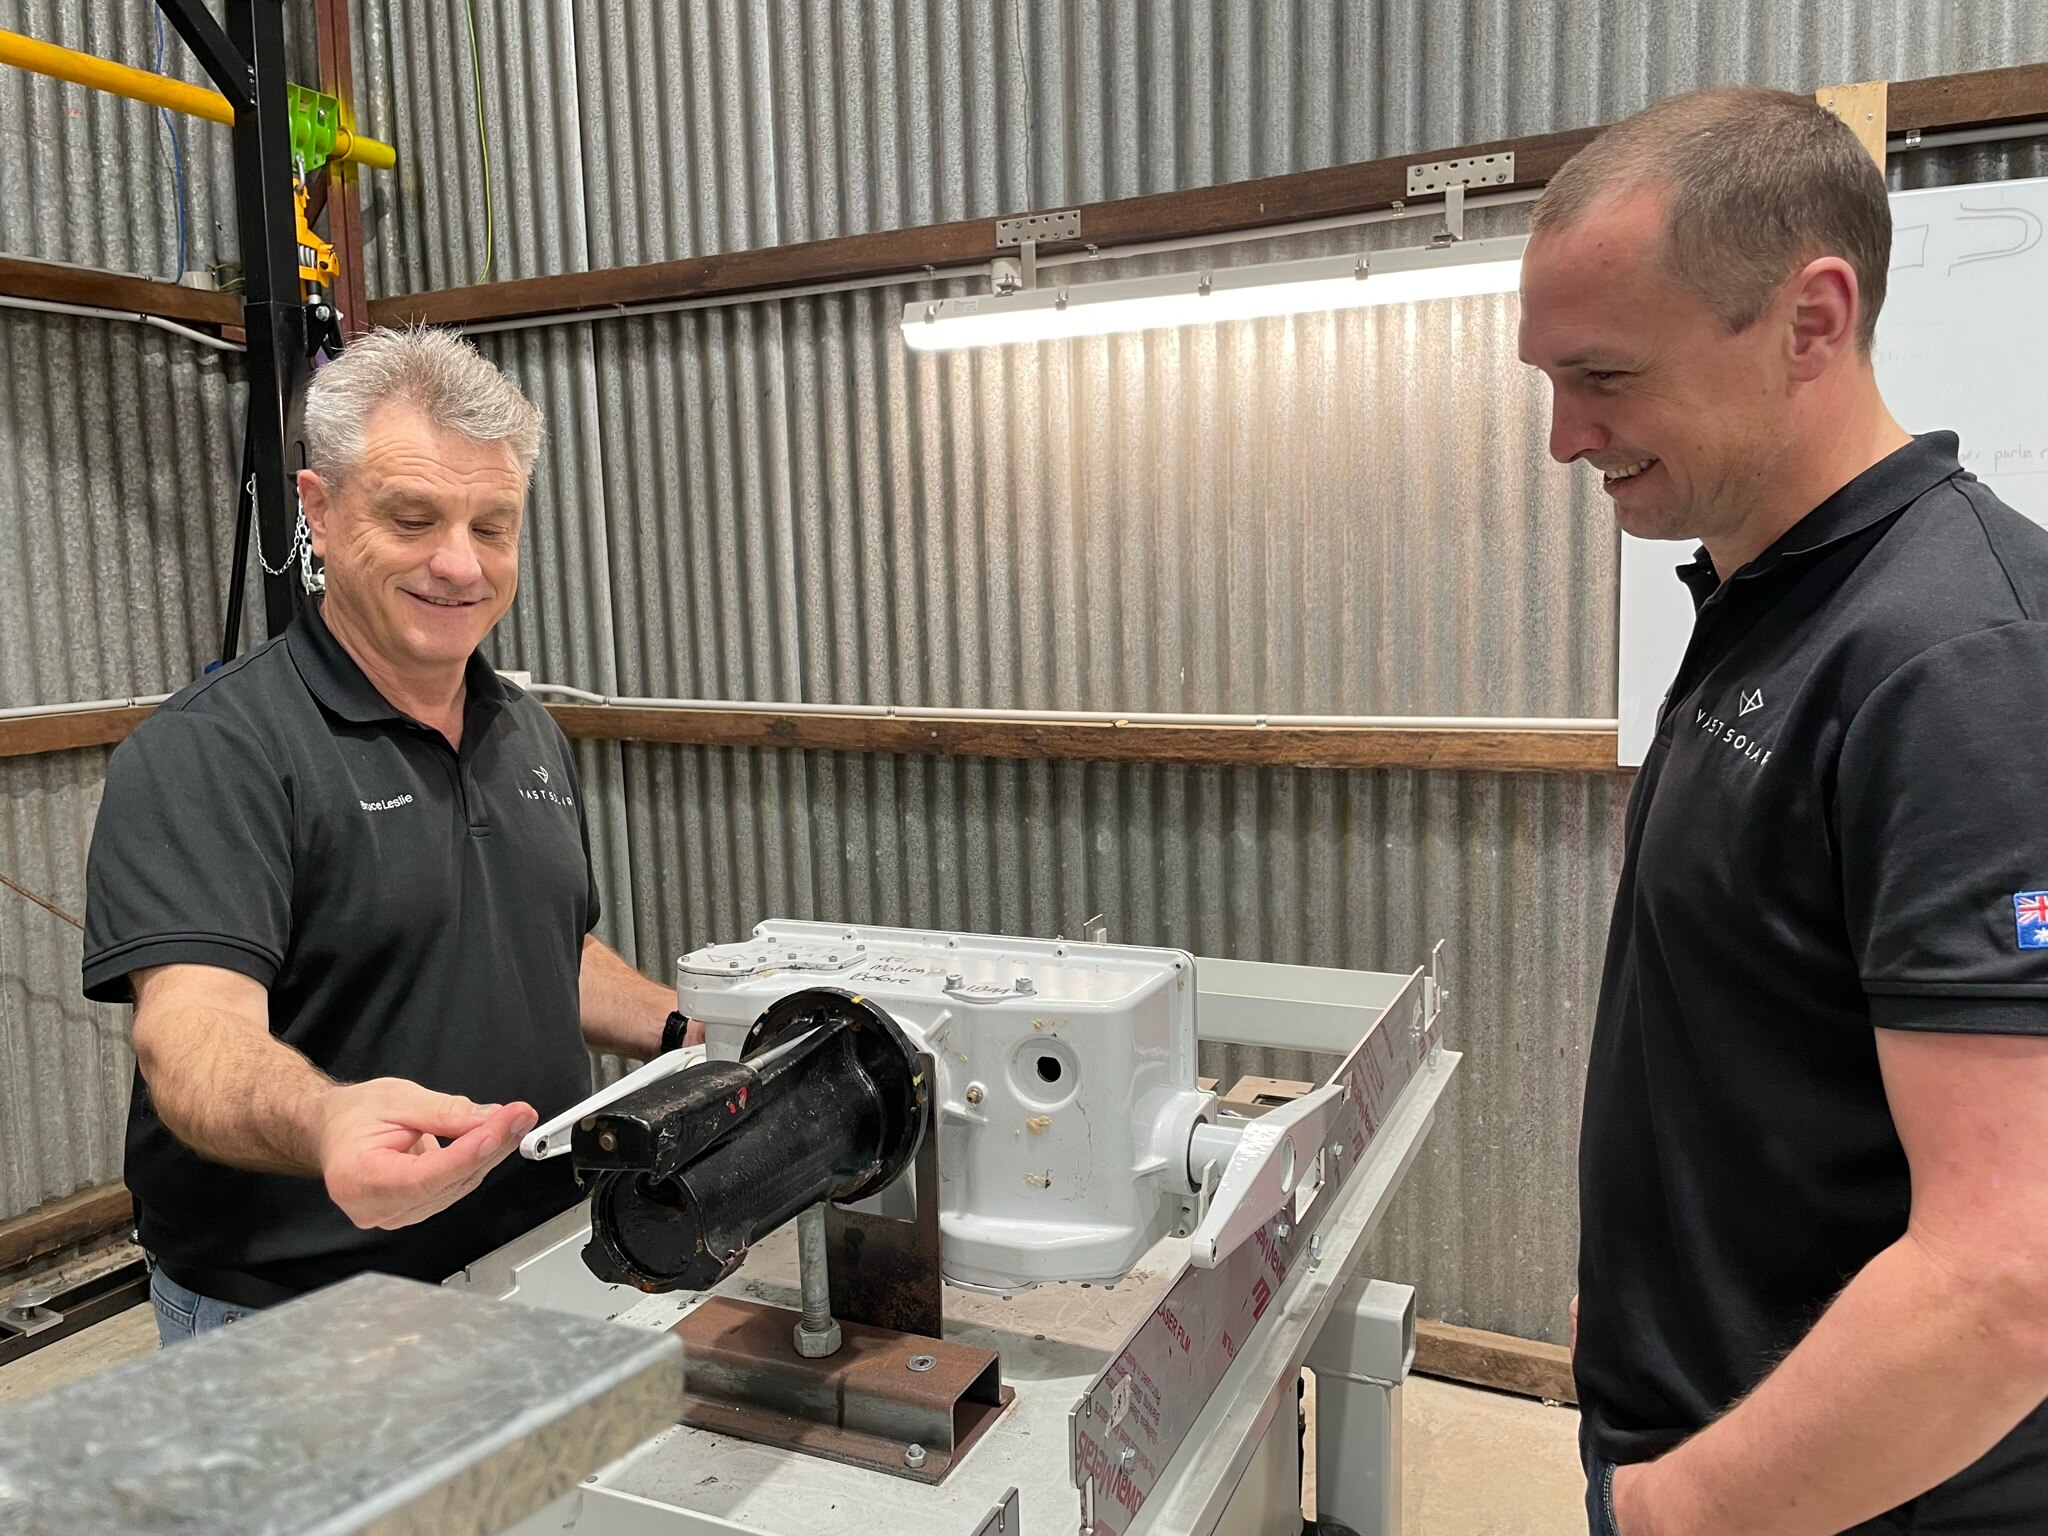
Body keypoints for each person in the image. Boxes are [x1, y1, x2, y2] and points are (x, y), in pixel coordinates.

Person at [1519, 87, 2048, 1534]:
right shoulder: (1773, 601)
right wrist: (1637, 1290)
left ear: (1812, 322)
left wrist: (1675, 1512)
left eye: (1604, 375)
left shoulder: (1959, 666)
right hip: (1701, 1414)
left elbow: (2012, 1279)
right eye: (1548, 379)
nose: (1565, 437)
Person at [82, 326, 698, 1344]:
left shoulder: (523, 728)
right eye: (412, 518)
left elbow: (540, 949)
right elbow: (190, 1037)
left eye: (492, 526)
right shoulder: (214, 753)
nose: (458, 564)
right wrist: (328, 1121)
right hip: (298, 1317)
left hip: (537, 1265)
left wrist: (690, 1028)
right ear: (318, 513)